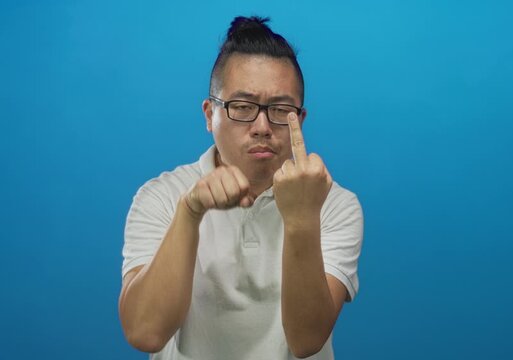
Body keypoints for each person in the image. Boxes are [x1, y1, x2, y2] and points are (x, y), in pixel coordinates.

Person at [118, 16, 363, 359]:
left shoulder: (335, 203)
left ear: (300, 119)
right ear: (209, 114)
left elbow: (306, 340)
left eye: (280, 109)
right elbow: (145, 332)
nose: (262, 126)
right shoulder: (160, 195)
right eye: (243, 107)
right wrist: (190, 212)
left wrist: (302, 217)